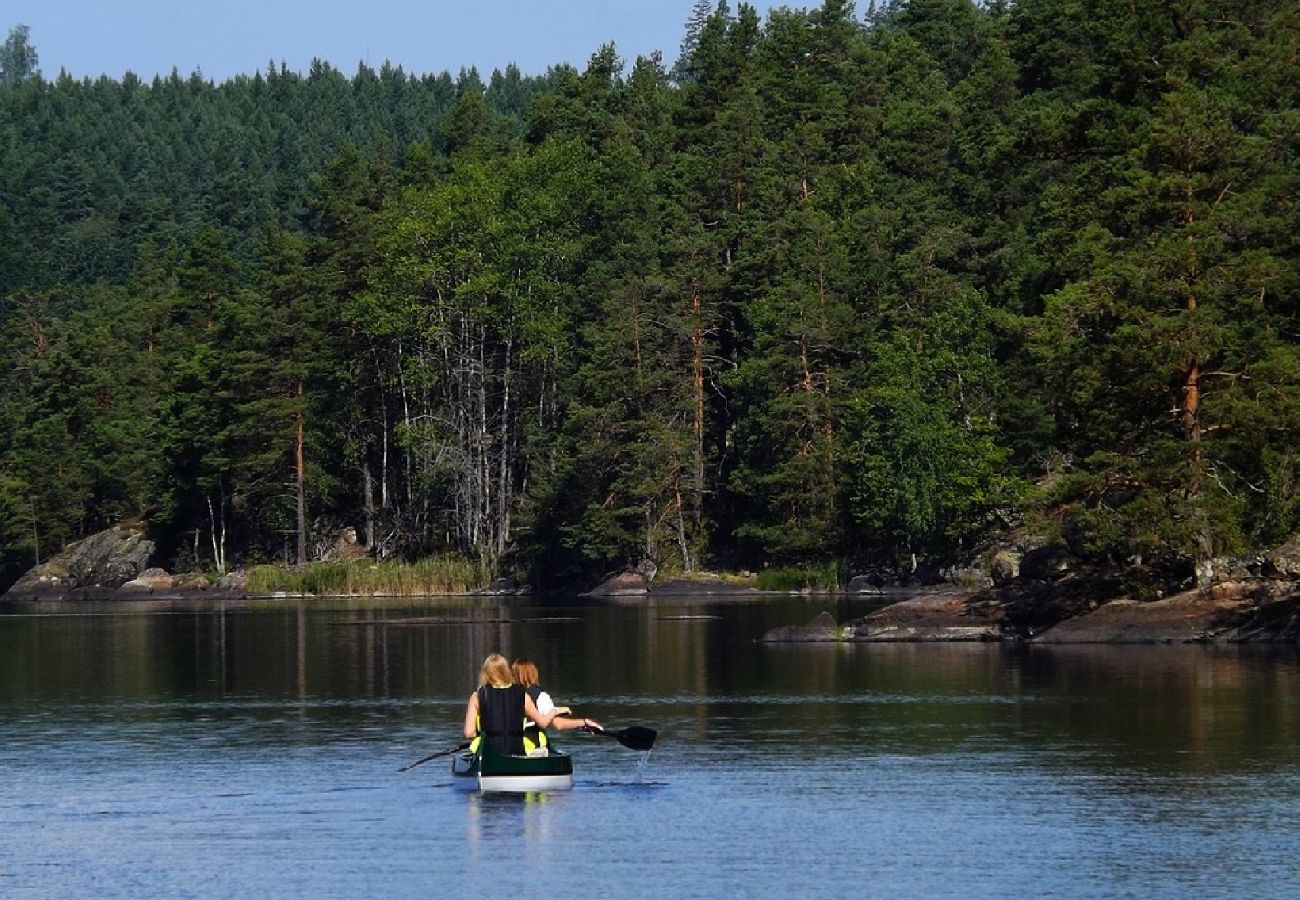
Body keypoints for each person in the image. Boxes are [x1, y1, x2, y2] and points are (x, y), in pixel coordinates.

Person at [463, 653, 595, 757]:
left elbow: (469, 733)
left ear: (485, 673)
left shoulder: (476, 697)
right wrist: (554, 711)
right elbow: (543, 723)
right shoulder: (522, 695)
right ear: (506, 671)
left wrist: (480, 734)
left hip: (488, 754)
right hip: (517, 751)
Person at [511, 657, 570, 755]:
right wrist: (557, 711)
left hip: (510, 745)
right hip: (533, 747)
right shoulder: (541, 696)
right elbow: (557, 724)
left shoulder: (505, 696)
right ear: (533, 674)